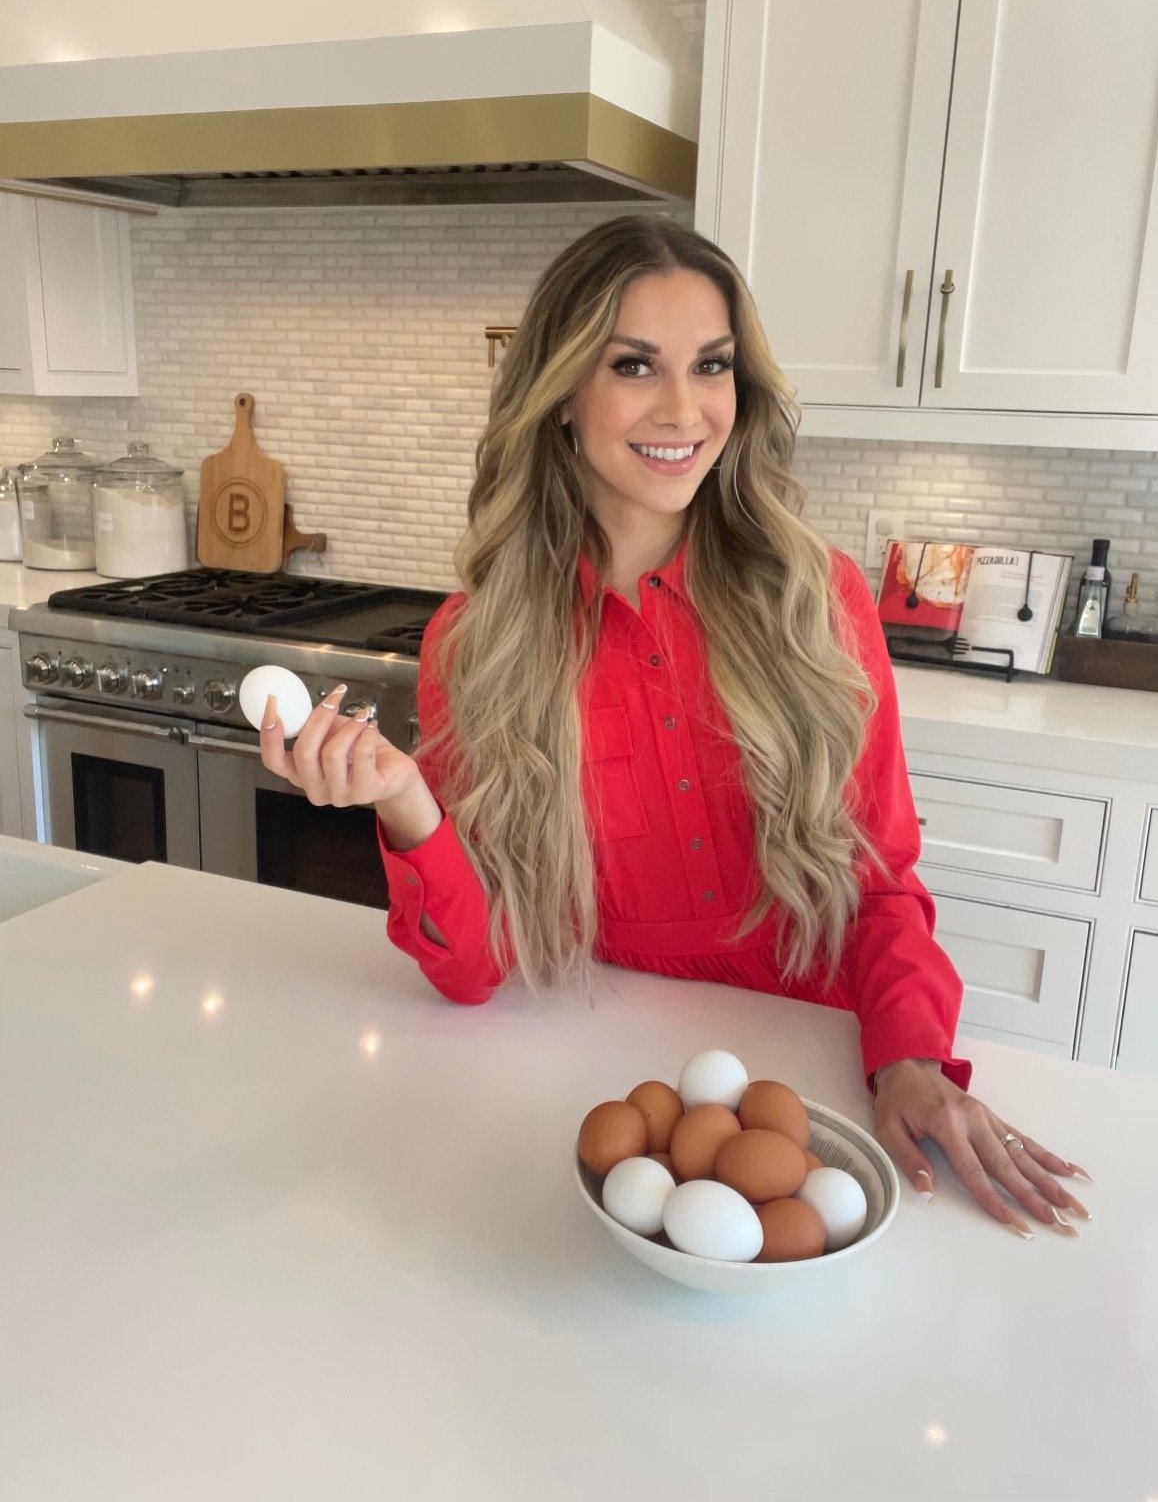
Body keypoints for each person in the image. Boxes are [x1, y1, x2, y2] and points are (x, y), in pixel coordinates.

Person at [260, 214, 1090, 1241]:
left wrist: (912, 1059)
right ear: (563, 392)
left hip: (823, 1075)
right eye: (635, 366)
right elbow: (475, 969)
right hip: (600, 1073)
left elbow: (880, 883)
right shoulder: (478, 641)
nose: (684, 408)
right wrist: (404, 800)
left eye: (712, 366)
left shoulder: (816, 598)